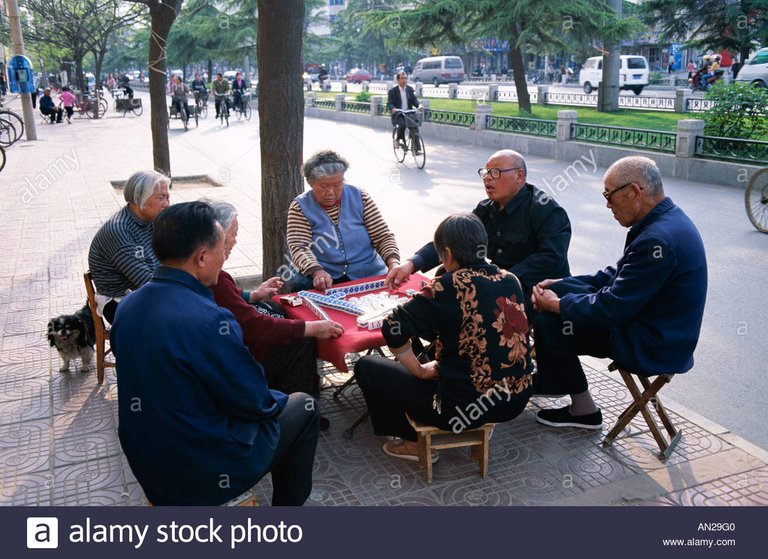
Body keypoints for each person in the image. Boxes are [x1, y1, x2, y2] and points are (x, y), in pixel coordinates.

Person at [112, 202, 320, 506]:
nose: (225, 255)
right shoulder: (209, 319)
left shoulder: (127, 307)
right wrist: (277, 399)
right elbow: (254, 400)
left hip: (147, 460)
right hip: (200, 469)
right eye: (223, 246)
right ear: (201, 257)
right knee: (303, 406)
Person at [530, 156, 707, 429]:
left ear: (635, 191)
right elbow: (617, 275)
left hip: (653, 342)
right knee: (560, 290)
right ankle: (554, 377)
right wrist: (560, 285)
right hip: (652, 323)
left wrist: (557, 306)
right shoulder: (665, 219)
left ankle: (582, 409)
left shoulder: (657, 239)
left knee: (550, 321)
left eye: (609, 196)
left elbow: (610, 308)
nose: (607, 205)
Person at [354, 214, 533, 461]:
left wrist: (417, 370)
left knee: (366, 367)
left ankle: (411, 443)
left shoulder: (446, 286)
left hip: (459, 410)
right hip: (515, 401)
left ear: (447, 254)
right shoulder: (511, 279)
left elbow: (392, 327)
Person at [386, 149, 571, 318]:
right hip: (497, 283)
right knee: (446, 277)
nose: (487, 178)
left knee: (469, 305)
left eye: (496, 172)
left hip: (537, 290)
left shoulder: (545, 211)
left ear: (519, 175)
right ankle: (431, 344)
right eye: (485, 172)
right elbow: (453, 240)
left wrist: (501, 279)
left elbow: (551, 258)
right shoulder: (486, 209)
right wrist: (411, 264)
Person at [207, 200, 344, 429]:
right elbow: (253, 326)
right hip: (234, 356)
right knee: (300, 340)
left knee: (280, 311)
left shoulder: (211, 272)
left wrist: (254, 295)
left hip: (230, 340)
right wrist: (310, 328)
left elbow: (229, 297)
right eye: (233, 234)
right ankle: (300, 411)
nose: (235, 241)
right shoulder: (212, 274)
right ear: (217, 236)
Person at [286, 150, 401, 291]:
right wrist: (317, 271)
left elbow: (382, 236)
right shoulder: (300, 206)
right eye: (324, 186)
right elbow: (299, 247)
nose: (331, 192)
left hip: (367, 270)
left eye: (337, 185)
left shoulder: (360, 197)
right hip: (326, 274)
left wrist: (393, 262)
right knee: (300, 285)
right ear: (311, 183)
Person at [88, 170, 170, 324]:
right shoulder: (119, 230)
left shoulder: (151, 220)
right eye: (160, 198)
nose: (166, 204)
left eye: (167, 197)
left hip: (145, 291)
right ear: (140, 198)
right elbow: (145, 281)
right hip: (120, 301)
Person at [387, 70, 421, 154]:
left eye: (405, 78)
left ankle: (416, 149)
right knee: (402, 125)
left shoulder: (409, 89)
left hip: (408, 113)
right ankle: (398, 140)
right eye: (402, 78)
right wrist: (393, 108)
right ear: (398, 80)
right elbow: (389, 103)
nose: (404, 80)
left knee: (415, 127)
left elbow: (414, 100)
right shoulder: (392, 91)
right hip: (398, 114)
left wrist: (419, 105)